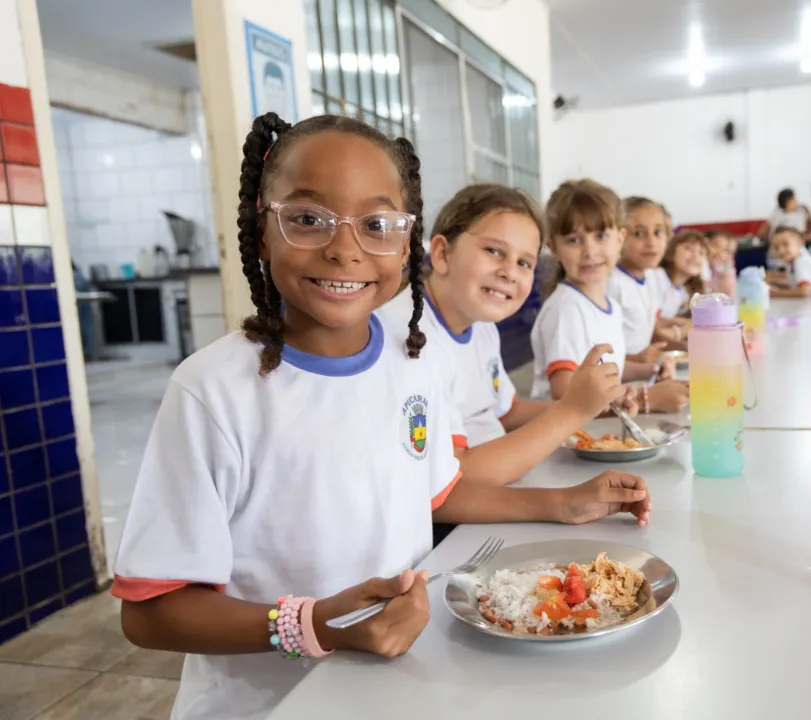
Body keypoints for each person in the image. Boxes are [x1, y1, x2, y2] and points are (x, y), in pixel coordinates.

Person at [111, 114, 652, 720]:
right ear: (263, 230)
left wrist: (565, 504)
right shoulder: (212, 391)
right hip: (269, 705)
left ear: (407, 241)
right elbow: (150, 609)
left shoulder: (411, 363)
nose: (345, 249)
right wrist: (315, 623)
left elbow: (440, 494)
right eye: (309, 219)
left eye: (376, 225)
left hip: (402, 684)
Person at [379, 183, 632, 475]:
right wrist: (571, 413)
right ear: (442, 254)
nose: (510, 272)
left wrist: (594, 404)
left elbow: (506, 413)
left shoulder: (481, 323)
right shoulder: (411, 341)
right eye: (494, 251)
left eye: (524, 262)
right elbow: (456, 479)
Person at [530, 180, 689, 413]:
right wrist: (646, 399)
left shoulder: (609, 307)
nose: (590, 251)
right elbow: (566, 393)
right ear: (553, 247)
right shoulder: (567, 309)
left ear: (619, 239)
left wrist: (650, 369)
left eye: (601, 236)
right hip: (570, 442)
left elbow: (606, 371)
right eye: (574, 240)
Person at [609, 195, 688, 363]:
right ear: (620, 237)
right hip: (623, 384)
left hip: (643, 379)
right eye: (638, 234)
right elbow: (599, 352)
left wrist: (690, 349)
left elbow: (650, 331)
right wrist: (638, 361)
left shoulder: (650, 277)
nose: (651, 242)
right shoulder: (611, 283)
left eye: (658, 232)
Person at [765, 226, 811, 314]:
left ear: (799, 243)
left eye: (786, 244)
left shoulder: (801, 261)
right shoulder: (794, 262)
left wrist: (774, 294)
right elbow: (793, 284)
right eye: (776, 247)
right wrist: (771, 283)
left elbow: (803, 292)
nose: (781, 250)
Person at [656, 229, 707, 317]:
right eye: (689, 249)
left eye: (701, 253)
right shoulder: (657, 276)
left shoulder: (685, 294)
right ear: (671, 253)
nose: (695, 255)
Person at [704, 229, 738, 296]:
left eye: (726, 250)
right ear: (705, 243)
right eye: (715, 246)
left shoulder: (720, 273)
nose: (719, 253)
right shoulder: (700, 268)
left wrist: (727, 270)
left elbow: (730, 296)